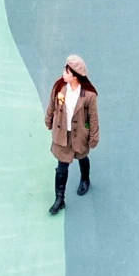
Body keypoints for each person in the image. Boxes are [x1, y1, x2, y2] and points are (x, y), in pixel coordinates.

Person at [44, 55, 99, 215]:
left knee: (82, 156)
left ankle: (85, 178)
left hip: (80, 134)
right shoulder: (59, 87)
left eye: (67, 71)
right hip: (62, 133)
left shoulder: (89, 95)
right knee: (62, 166)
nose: (63, 72)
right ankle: (59, 198)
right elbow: (51, 106)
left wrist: (93, 137)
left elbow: (93, 117)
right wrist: (48, 121)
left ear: (75, 75)